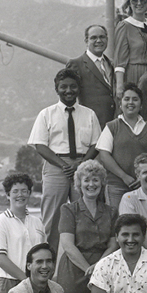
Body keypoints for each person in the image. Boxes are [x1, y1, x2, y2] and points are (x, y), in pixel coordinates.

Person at [28, 68, 101, 251]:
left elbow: (96, 144)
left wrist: (80, 165)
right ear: (57, 89)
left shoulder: (89, 114)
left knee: (85, 215)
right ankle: (46, 266)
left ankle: (82, 265)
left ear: (79, 88)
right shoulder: (46, 114)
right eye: (64, 87)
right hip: (56, 167)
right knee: (52, 219)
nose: (69, 91)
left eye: (73, 87)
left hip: (83, 167)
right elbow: (40, 145)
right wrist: (64, 165)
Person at [56, 159, 118, 293]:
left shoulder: (111, 211)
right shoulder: (69, 209)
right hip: (75, 270)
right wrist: (88, 269)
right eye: (87, 180)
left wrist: (99, 267)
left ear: (102, 183)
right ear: (79, 184)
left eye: (95, 180)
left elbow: (114, 243)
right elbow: (67, 245)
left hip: (105, 267)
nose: (91, 184)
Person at [95, 84, 147, 209]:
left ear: (141, 105)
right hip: (116, 186)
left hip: (143, 186)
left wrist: (142, 178)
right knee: (117, 222)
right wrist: (124, 177)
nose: (131, 102)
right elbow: (104, 156)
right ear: (120, 104)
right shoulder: (112, 127)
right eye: (127, 99)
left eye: (135, 99)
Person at [67, 24, 116, 127]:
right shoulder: (76, 64)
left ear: (107, 39)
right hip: (90, 125)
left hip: (113, 124)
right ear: (86, 41)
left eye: (102, 37)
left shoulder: (111, 64)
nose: (98, 41)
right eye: (94, 38)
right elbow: (69, 98)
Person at [113, 0, 147, 100]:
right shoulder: (124, 26)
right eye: (134, 0)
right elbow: (120, 59)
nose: (139, 3)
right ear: (129, 3)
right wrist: (120, 86)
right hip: (132, 74)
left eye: (143, 0)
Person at [118, 153, 147, 253]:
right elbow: (130, 235)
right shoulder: (129, 199)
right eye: (145, 172)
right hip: (142, 258)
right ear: (138, 176)